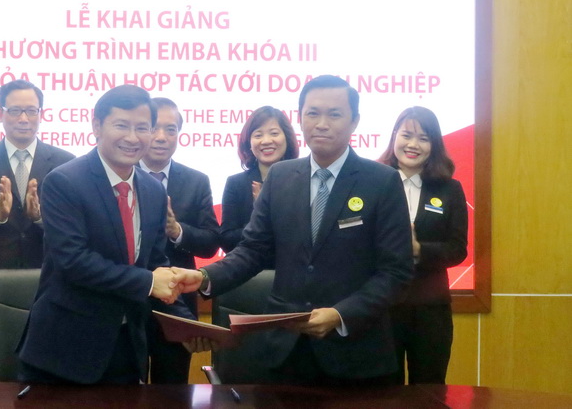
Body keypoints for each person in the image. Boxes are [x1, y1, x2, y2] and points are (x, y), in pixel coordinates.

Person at [174, 75, 414, 387]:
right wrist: (205, 277)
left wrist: (341, 315)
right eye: (312, 113)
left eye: (334, 114)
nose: (322, 124)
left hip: (355, 353)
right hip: (285, 353)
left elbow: (396, 272)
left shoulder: (382, 181)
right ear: (300, 118)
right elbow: (252, 250)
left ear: (355, 121)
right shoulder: (280, 176)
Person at [16, 85, 192, 385]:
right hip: (65, 351)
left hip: (127, 346)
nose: (132, 137)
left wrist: (188, 325)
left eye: (142, 128)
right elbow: (74, 262)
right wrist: (149, 282)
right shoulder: (64, 181)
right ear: (97, 126)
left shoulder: (153, 191)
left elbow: (154, 262)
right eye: (121, 125)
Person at [0, 79, 74, 368]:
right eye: (15, 110)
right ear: (0, 114)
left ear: (41, 114)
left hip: (49, 288)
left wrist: (41, 218)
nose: (24, 118)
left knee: (49, 375)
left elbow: (75, 229)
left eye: (31, 111)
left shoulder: (66, 163)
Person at [378, 106, 468, 384]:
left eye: (423, 138)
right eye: (407, 135)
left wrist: (420, 250)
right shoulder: (372, 183)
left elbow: (458, 249)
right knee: (382, 394)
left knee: (429, 391)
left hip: (430, 308)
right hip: (381, 307)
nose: (413, 145)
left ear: (434, 145)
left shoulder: (450, 189)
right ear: (395, 136)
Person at [140, 97, 221, 384]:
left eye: (171, 129)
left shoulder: (196, 181)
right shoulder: (121, 177)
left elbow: (211, 243)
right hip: (130, 301)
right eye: (154, 128)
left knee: (172, 391)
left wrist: (177, 231)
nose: (161, 137)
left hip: (177, 306)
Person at [220, 106, 299, 252]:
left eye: (274, 133)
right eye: (258, 135)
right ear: (249, 143)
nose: (266, 141)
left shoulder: (302, 181)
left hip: (291, 265)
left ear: (287, 138)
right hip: (249, 265)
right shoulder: (236, 184)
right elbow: (227, 241)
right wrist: (260, 217)